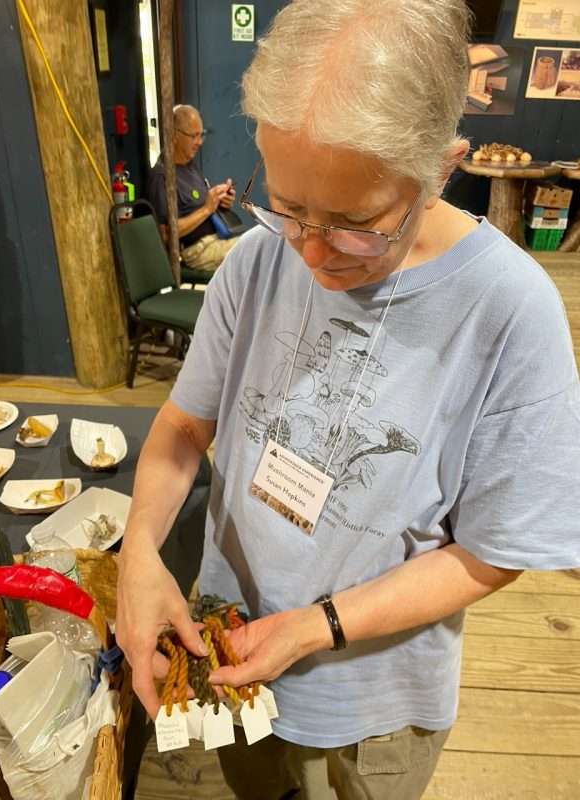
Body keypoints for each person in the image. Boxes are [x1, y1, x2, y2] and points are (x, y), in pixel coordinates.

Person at [118, 2, 580, 798]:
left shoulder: (510, 312)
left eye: (357, 224)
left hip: (375, 703)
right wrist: (139, 551)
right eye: (289, 208)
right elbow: (184, 425)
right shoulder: (257, 263)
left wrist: (316, 627)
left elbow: (493, 552)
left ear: (442, 167)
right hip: (231, 653)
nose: (312, 252)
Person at [147, 104, 240, 273]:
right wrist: (207, 208)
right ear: (175, 135)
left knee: (263, 240)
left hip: (218, 236)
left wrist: (221, 200)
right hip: (196, 250)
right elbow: (166, 235)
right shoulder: (162, 176)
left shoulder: (189, 166)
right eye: (194, 136)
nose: (199, 142)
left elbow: (202, 205)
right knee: (253, 252)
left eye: (201, 135)